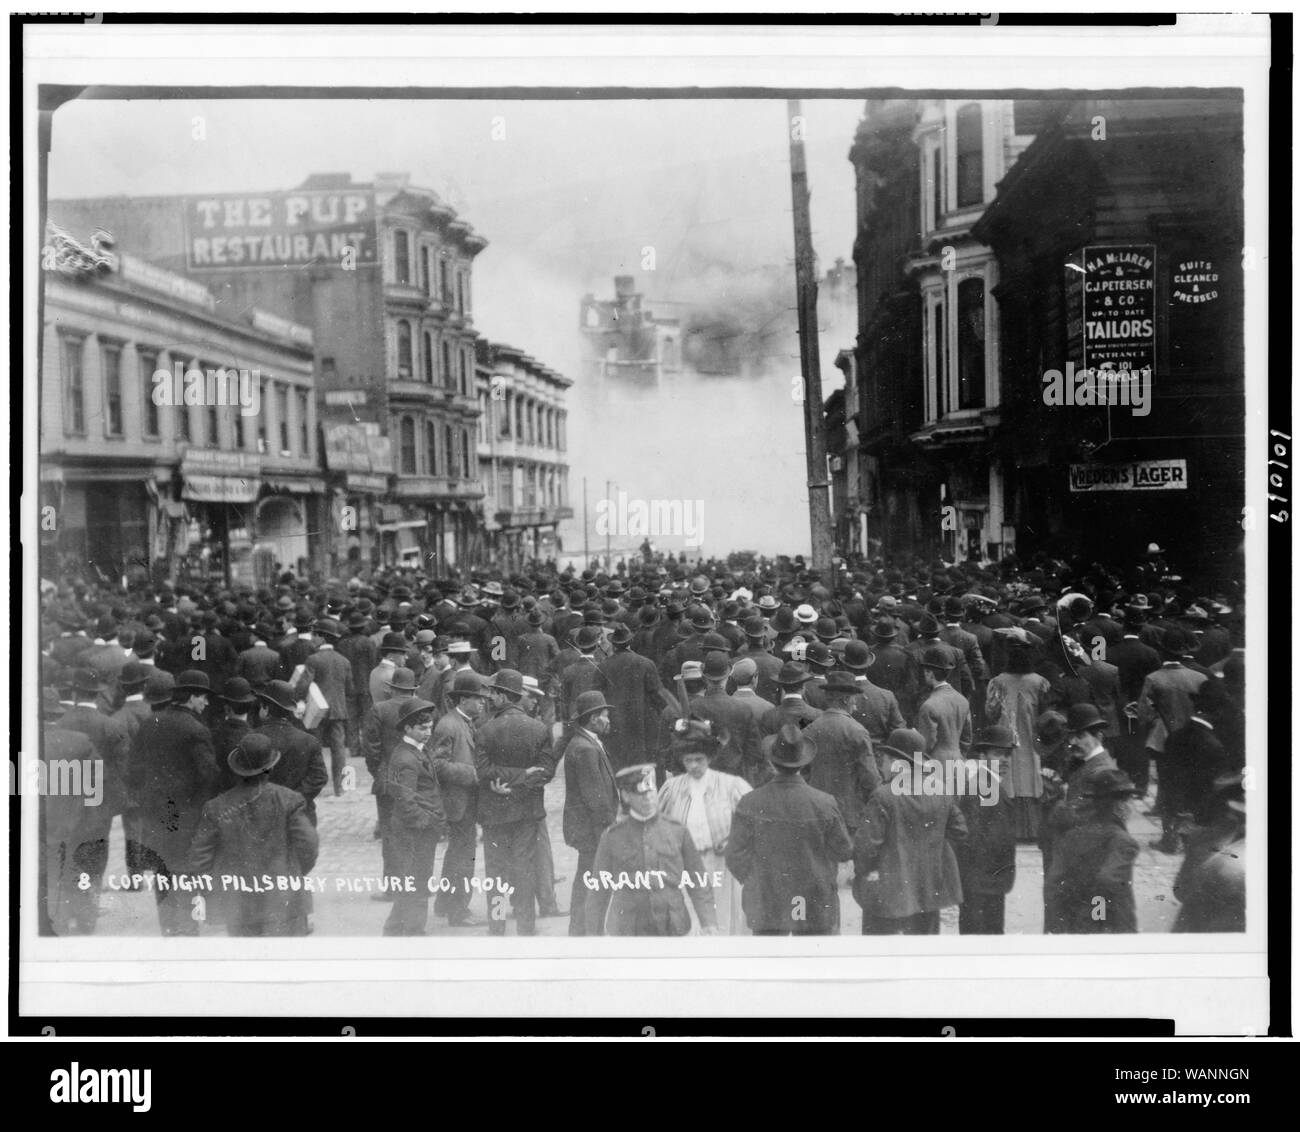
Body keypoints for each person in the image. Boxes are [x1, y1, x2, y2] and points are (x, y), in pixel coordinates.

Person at [727, 723, 853, 935]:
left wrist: (754, 880)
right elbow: (843, 851)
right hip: (814, 899)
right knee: (813, 962)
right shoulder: (824, 803)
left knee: (770, 963)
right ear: (803, 764)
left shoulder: (750, 802)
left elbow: (735, 856)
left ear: (771, 763)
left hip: (767, 900)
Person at [188, 733, 319, 936]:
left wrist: (214, 893)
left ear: (238, 769)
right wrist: (294, 873)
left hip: (239, 905)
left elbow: (199, 859)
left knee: (248, 962)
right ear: (271, 766)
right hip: (283, 901)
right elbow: (308, 846)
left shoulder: (215, 807)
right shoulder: (290, 800)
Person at [129, 669, 220, 936]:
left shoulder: (150, 723)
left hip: (156, 816)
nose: (205, 703)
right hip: (188, 817)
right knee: (188, 874)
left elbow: (133, 771)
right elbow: (208, 775)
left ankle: (168, 928)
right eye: (203, 697)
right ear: (191, 697)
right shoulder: (196, 729)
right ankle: (187, 930)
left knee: (162, 871)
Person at [584, 763, 719, 936]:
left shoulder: (677, 830)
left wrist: (709, 923)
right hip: (628, 931)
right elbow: (598, 892)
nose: (648, 798)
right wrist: (593, 937)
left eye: (651, 791)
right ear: (626, 796)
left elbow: (699, 881)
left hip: (673, 926)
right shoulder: (612, 837)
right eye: (640, 793)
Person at [854, 728, 967, 935]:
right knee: (922, 957)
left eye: (884, 760)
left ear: (897, 763)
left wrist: (864, 874)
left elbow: (866, 846)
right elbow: (960, 831)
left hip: (889, 895)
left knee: (881, 957)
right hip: (929, 892)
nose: (881, 766)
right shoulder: (940, 790)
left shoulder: (883, 796)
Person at [476, 669, 556, 936]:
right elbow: (546, 771)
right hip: (527, 811)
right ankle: (526, 926)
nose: (489, 699)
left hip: (494, 812)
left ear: (502, 696)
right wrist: (522, 778)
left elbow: (483, 771)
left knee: (496, 872)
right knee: (525, 869)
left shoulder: (485, 730)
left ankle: (497, 926)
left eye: (493, 694)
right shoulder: (540, 729)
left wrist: (505, 784)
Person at [657, 721, 752, 934]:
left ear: (709, 758)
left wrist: (733, 841)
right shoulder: (672, 789)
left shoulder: (731, 786)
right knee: (690, 923)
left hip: (721, 866)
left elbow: (753, 823)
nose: (693, 766)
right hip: (684, 867)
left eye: (699, 759)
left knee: (720, 922)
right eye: (688, 760)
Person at [1044, 767, 1140, 934]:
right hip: (1105, 930)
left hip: (1070, 924)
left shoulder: (1072, 834)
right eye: (1130, 800)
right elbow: (1106, 881)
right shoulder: (1122, 841)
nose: (1132, 806)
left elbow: (1053, 884)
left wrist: (1056, 928)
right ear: (1120, 805)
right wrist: (1097, 919)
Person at [382, 698, 448, 936]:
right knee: (417, 882)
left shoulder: (416, 750)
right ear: (407, 728)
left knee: (414, 881)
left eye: (429, 727)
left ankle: (395, 928)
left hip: (419, 830)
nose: (427, 732)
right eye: (422, 728)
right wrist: (431, 823)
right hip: (414, 833)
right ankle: (412, 931)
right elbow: (405, 802)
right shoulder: (405, 759)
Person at [430, 670, 490, 927]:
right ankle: (458, 911)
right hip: (458, 802)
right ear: (463, 700)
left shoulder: (462, 722)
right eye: (478, 698)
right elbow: (437, 764)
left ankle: (445, 904)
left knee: (458, 853)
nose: (482, 703)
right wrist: (471, 774)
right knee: (463, 856)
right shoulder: (448, 725)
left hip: (464, 801)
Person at [984, 628, 1053, 840]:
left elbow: (990, 712)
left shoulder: (998, 682)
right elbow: (1047, 713)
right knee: (1031, 777)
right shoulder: (1040, 682)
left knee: (1007, 779)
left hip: (1006, 737)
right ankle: (1031, 830)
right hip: (1032, 738)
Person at [561, 690, 619, 936]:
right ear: (593, 718)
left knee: (588, 880)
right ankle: (586, 931)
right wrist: (609, 829)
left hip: (589, 829)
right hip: (593, 831)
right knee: (592, 883)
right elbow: (596, 798)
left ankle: (583, 930)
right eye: (605, 716)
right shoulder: (586, 749)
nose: (609, 721)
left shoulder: (585, 743)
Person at [953, 726, 1017, 934]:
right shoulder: (981, 786)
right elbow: (970, 838)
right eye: (998, 754)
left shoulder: (992, 785)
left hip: (990, 882)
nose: (1005, 760)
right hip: (980, 884)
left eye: (1008, 754)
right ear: (982, 756)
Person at [802, 670, 881, 837]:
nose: (856, 704)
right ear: (845, 699)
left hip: (815, 810)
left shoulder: (810, 729)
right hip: (849, 812)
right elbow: (870, 777)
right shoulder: (858, 731)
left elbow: (804, 771)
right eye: (854, 699)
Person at [597, 623, 670, 771]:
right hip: (643, 723)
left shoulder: (604, 665)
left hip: (616, 722)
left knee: (621, 765)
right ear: (630, 642)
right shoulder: (646, 663)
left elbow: (597, 694)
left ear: (613, 643)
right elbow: (658, 695)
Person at [294, 617, 354, 796]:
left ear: (322, 637)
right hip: (339, 711)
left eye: (315, 634)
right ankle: (340, 788)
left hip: (318, 711)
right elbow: (350, 689)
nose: (312, 638)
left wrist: (298, 699)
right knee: (339, 751)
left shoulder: (313, 659)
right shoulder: (344, 661)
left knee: (314, 748)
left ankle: (314, 785)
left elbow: (304, 684)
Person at [915, 646, 972, 764]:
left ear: (929, 673)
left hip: (934, 763)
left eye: (925, 672)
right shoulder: (962, 700)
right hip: (958, 760)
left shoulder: (928, 705)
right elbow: (967, 739)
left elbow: (927, 743)